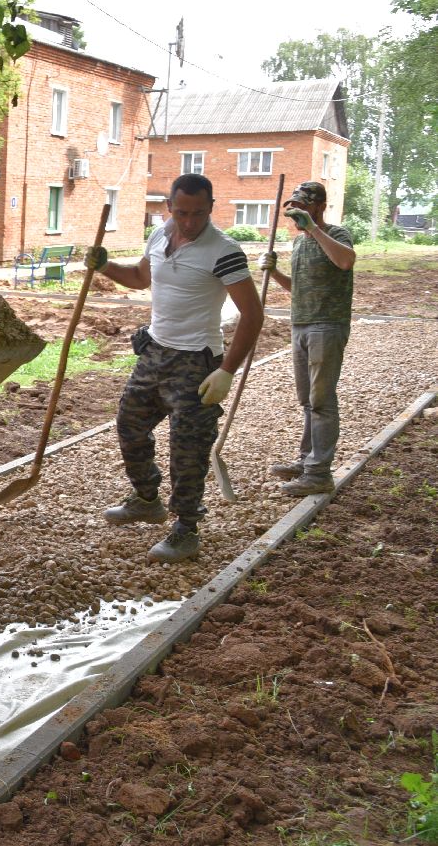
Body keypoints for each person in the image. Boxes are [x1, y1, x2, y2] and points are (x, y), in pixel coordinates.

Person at [83, 173, 265, 562]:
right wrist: (105, 265)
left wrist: (227, 370)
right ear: (169, 207)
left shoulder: (224, 250)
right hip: (155, 351)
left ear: (211, 208)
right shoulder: (160, 235)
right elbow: (140, 277)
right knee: (130, 424)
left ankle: (186, 529)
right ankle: (147, 499)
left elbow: (253, 314)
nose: (189, 221)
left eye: (198, 213)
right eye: (181, 212)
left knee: (188, 447)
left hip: (196, 361)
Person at [259, 180, 356, 496]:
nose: (296, 212)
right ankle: (307, 461)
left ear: (320, 207)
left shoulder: (336, 234)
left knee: (321, 401)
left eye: (303, 205)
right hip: (300, 324)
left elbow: (346, 261)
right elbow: (298, 289)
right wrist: (274, 272)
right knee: (307, 400)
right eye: (293, 206)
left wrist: (314, 229)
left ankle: (319, 474)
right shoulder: (299, 243)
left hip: (327, 326)